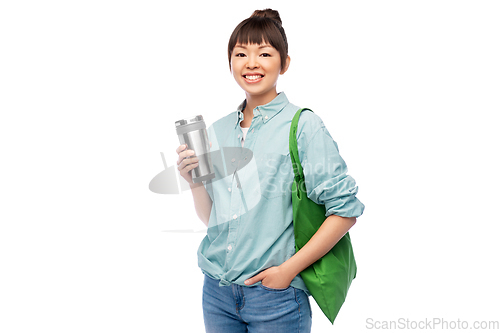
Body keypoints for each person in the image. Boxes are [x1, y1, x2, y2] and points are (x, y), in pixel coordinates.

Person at [175, 8, 365, 333]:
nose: (251, 63)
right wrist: (193, 182)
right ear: (230, 62)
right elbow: (217, 222)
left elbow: (345, 212)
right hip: (217, 291)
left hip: (275, 298)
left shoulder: (303, 126)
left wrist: (288, 272)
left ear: (284, 63)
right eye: (241, 54)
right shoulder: (218, 131)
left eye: (264, 53)